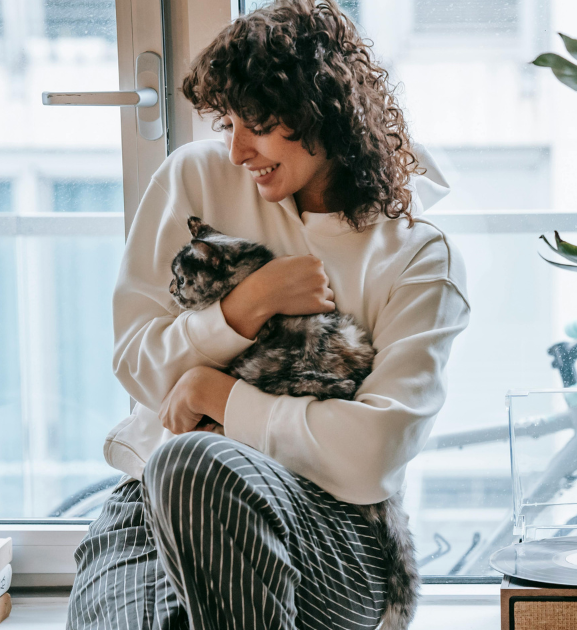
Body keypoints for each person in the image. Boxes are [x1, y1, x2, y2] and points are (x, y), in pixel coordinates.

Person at [65, 2, 470, 628]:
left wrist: (216, 394)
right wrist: (246, 305)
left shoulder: (417, 254)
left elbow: (373, 455)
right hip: (152, 511)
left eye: (252, 122)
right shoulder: (195, 179)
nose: (234, 150)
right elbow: (140, 371)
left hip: (335, 530)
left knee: (192, 462)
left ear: (320, 108)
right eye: (224, 123)